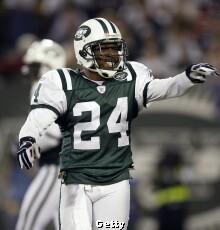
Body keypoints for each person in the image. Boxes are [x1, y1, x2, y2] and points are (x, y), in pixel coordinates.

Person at [16, 18, 219, 230]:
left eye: (115, 49)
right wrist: (28, 137)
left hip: (114, 182)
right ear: (83, 51)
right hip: (76, 182)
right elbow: (40, 115)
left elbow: (164, 88)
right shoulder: (63, 83)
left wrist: (186, 78)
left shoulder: (130, 77)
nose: (112, 56)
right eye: (104, 50)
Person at [16, 39, 66, 230]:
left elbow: (54, 134)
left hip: (57, 169)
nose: (30, 71)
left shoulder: (48, 87)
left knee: (26, 225)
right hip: (68, 169)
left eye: (35, 66)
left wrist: (28, 145)